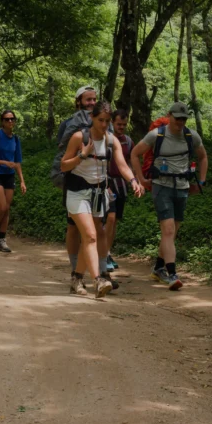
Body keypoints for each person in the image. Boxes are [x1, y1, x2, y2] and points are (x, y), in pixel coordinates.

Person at [61, 100, 143, 299]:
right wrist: (83, 155)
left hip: (98, 193)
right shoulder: (79, 137)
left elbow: (122, 164)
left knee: (92, 236)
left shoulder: (111, 140)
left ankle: (77, 278)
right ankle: (98, 280)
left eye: (107, 121)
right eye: (100, 120)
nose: (104, 125)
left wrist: (133, 180)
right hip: (77, 192)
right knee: (90, 235)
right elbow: (64, 166)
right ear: (91, 118)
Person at [131, 102, 208, 291]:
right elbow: (134, 154)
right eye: (177, 118)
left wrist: (202, 182)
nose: (180, 122)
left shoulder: (191, 136)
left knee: (173, 231)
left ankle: (158, 267)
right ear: (169, 116)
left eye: (183, 119)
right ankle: (172, 274)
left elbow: (203, 157)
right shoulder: (157, 135)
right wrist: (141, 179)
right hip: (161, 186)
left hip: (182, 187)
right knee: (168, 230)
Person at [57, 86, 97, 287]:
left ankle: (99, 270)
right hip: (74, 181)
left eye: (94, 99)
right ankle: (76, 269)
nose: (91, 103)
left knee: (97, 229)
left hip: (97, 183)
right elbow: (62, 152)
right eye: (87, 100)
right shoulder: (69, 124)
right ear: (78, 101)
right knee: (73, 227)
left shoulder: (102, 123)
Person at [0, 109, 26, 253]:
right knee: (1, 207)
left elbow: (17, 161)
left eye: (12, 119)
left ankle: (2, 240)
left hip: (9, 175)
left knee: (6, 209)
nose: (10, 121)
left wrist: (22, 181)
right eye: (7, 119)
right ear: (2, 122)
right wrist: (4, 163)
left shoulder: (15, 139)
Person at [104, 109, 134, 279]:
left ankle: (108, 251)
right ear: (112, 123)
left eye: (124, 124)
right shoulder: (106, 140)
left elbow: (131, 160)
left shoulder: (128, 142)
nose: (121, 127)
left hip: (121, 184)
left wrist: (135, 179)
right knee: (110, 218)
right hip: (107, 183)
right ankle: (104, 254)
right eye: (118, 124)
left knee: (115, 221)